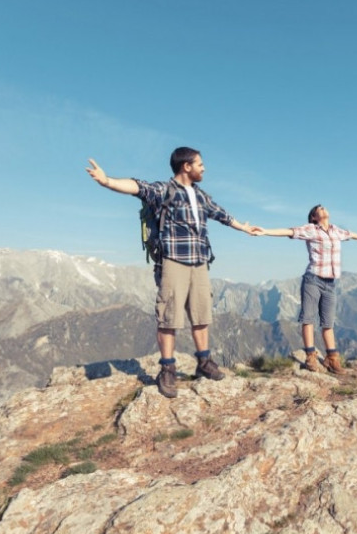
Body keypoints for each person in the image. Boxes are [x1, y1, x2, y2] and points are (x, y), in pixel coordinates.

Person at [85, 147, 261, 398]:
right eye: (200, 164)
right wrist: (107, 181)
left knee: (201, 315)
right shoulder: (164, 190)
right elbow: (137, 187)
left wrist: (243, 227)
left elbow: (220, 214)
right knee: (168, 317)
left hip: (199, 262)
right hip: (173, 261)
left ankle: (204, 362)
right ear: (186, 166)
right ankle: (167, 369)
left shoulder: (200, 196)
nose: (204, 168)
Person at [256, 204, 357, 374]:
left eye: (324, 208)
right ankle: (310, 356)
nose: (323, 209)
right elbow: (289, 231)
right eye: (319, 209)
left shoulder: (336, 231)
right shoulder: (311, 230)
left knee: (328, 322)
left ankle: (332, 359)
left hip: (330, 282)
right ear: (314, 217)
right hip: (313, 280)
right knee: (308, 319)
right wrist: (265, 231)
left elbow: (349, 234)